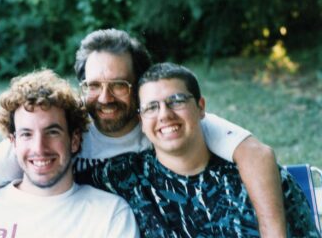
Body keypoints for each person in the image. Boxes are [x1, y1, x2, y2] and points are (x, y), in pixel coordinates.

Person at [0, 29, 285, 237]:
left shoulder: (163, 120)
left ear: (139, 85)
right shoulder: (59, 134)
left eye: (119, 84)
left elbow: (256, 154)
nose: (105, 98)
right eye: (93, 85)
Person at [76, 62, 319, 237]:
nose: (165, 115)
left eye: (177, 101)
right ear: (141, 119)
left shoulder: (259, 180)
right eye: (152, 107)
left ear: (201, 107)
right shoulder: (124, 178)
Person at [0, 69, 139, 238]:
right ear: (13, 142)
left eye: (52, 132)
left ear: (75, 140)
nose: (39, 147)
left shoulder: (109, 215)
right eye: (26, 134)